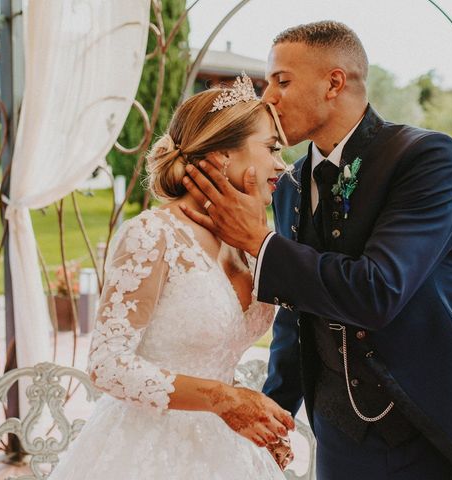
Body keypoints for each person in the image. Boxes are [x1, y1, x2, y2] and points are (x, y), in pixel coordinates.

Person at [180, 21, 452, 479]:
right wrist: (273, 414)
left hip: (432, 430)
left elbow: (378, 291)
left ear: (334, 82)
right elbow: (296, 318)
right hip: (341, 441)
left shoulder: (427, 160)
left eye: (282, 81)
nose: (267, 98)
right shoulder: (288, 186)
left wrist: (257, 241)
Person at [48, 77, 296, 480]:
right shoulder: (152, 236)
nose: (281, 164)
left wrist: (253, 421)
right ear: (221, 155)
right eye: (270, 148)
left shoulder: (243, 244)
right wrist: (223, 399)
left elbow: (212, 349)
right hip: (147, 450)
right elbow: (107, 365)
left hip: (227, 446)